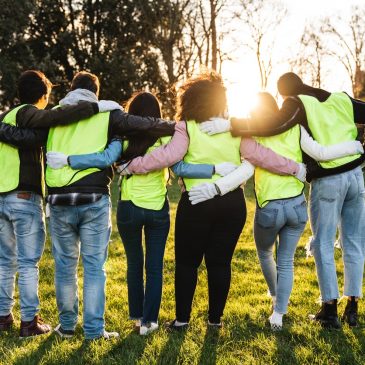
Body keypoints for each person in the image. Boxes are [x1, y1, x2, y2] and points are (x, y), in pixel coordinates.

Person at [116, 72, 309, 330]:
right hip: (232, 205)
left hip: (196, 204)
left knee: (187, 263)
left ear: (190, 100)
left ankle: (182, 320)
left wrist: (132, 165)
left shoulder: (186, 127)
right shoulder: (235, 129)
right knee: (220, 263)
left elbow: (167, 157)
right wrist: (294, 168)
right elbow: (260, 155)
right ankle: (215, 320)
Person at [0, 71, 178, 339]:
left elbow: (26, 137)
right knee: (94, 266)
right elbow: (141, 124)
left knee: (64, 266)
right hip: (94, 198)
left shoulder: (55, 114)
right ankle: (94, 330)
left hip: (59, 200)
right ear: (96, 92)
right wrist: (176, 125)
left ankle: (68, 327)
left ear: (71, 89)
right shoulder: (107, 113)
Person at [46, 91, 224, 336]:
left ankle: (137, 318)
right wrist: (215, 169)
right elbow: (181, 166)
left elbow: (107, 158)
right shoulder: (165, 139)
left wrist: (69, 159)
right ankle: (150, 322)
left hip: (129, 208)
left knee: (134, 265)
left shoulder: (123, 137)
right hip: (156, 210)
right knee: (154, 267)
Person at [199, 73, 365, 328]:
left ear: (285, 94)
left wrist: (230, 124)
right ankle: (353, 307)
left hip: (329, 180)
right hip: (355, 175)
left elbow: (273, 124)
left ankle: (330, 310)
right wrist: (358, 145)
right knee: (353, 241)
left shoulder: (296, 103)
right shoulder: (341, 99)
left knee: (322, 243)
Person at [0, 70, 110, 338]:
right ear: (44, 96)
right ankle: (29, 321)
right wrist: (94, 107)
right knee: (27, 263)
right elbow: (54, 118)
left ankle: (3, 317)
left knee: (5, 262)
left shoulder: (7, 118)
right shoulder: (27, 113)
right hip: (23, 195)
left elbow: (29, 138)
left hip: (1, 196)